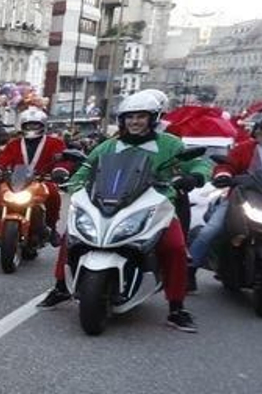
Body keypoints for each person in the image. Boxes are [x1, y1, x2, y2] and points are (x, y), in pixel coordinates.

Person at [39, 90, 197, 331]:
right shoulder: (109, 145)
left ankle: (176, 307)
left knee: (174, 247)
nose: (134, 122)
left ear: (153, 118)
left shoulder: (169, 144)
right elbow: (87, 167)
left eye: (141, 117)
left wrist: (195, 176)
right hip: (109, 203)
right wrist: (73, 181)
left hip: (156, 205)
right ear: (122, 120)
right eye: (129, 117)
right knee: (71, 237)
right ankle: (61, 286)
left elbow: (199, 163)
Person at [0, 106, 69, 260]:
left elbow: (63, 160)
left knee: (53, 194)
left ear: (43, 126)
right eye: (28, 125)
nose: (32, 128)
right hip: (17, 179)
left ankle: (51, 228)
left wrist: (60, 170)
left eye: (35, 125)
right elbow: (3, 159)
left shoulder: (55, 143)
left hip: (42, 179)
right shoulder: (14, 144)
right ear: (22, 126)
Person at [189, 112, 262, 281]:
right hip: (241, 197)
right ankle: (189, 272)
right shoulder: (245, 148)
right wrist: (223, 175)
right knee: (210, 231)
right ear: (257, 132)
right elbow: (226, 165)